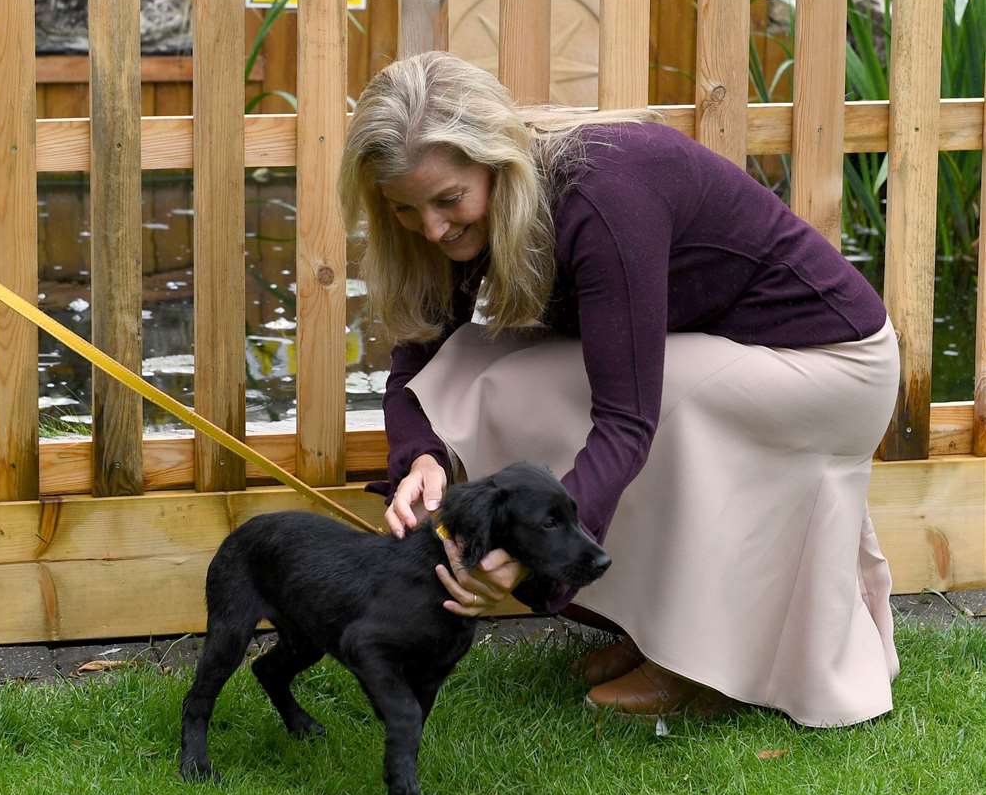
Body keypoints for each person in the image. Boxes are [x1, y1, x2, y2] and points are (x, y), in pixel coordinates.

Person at [344, 52, 898, 727]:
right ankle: (653, 626)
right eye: (405, 210)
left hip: (829, 368)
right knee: (490, 373)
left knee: (657, 398)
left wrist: (529, 558)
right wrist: (420, 457)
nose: (431, 228)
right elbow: (425, 357)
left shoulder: (603, 200)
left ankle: (698, 657)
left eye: (448, 201)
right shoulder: (474, 211)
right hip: (733, 356)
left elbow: (627, 423)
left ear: (495, 162)